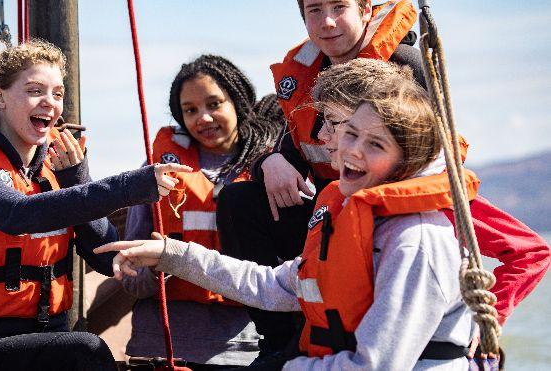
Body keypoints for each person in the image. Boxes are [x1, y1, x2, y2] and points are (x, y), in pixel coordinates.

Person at [98, 59, 486, 370]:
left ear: (408, 157)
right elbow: (272, 286)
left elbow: (378, 364)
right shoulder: (346, 212)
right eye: (346, 133)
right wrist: (172, 255)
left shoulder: (415, 240)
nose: (347, 150)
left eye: (375, 143)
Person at [215, 0, 551, 357]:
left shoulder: (408, 89)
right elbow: (296, 143)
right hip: (331, 218)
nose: (327, 21)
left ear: (365, 11)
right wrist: (272, 159)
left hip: (387, 220)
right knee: (239, 200)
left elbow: (530, 252)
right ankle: (284, 343)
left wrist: (487, 320)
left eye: (339, 6)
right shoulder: (307, 82)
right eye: (314, 9)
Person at [0, 40, 191, 371]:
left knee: (79, 348)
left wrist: (77, 179)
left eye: (57, 93)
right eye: (35, 90)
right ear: (0, 98)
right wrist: (132, 185)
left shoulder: (55, 167)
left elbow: (103, 252)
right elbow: (18, 214)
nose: (50, 103)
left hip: (49, 337)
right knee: (86, 350)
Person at [121, 55, 284, 369]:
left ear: (238, 101)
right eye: (190, 110)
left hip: (247, 350)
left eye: (214, 104)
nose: (204, 118)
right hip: (161, 349)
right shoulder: (155, 172)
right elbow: (132, 280)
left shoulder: (272, 170)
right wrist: (157, 266)